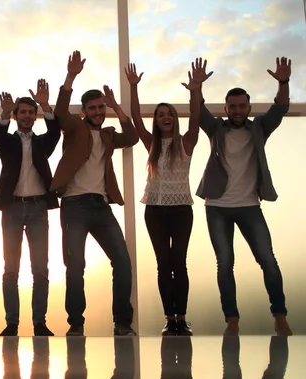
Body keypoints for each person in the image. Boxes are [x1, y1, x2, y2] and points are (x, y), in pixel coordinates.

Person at [197, 57, 293, 336]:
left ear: (249, 108)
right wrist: (197, 88)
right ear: (226, 109)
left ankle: (280, 315)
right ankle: (232, 320)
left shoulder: (259, 127)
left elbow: (281, 108)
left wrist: (283, 82)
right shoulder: (216, 128)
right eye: (233, 107)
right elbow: (198, 112)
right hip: (217, 206)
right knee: (225, 264)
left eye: (242, 106)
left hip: (250, 205)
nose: (237, 111)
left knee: (268, 260)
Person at [50, 50, 139, 336]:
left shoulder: (109, 135)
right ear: (84, 111)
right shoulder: (75, 128)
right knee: (75, 265)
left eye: (101, 108)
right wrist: (71, 76)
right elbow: (61, 113)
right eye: (93, 108)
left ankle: (122, 323)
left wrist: (117, 106)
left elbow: (133, 137)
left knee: (122, 261)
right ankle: (76, 324)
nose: (98, 112)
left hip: (101, 207)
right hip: (74, 206)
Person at [125, 59, 205, 336]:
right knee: (163, 264)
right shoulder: (152, 144)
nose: (165, 117)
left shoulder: (187, 141)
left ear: (174, 118)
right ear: (156, 121)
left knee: (178, 263)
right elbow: (135, 118)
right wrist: (133, 87)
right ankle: (169, 319)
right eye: (160, 115)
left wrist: (196, 90)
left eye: (169, 113)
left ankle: (182, 318)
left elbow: (196, 117)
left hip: (182, 209)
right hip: (155, 211)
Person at [0, 79, 61, 337]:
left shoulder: (43, 142)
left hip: (38, 208)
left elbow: (55, 132)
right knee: (11, 269)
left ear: (35, 116)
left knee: (40, 269)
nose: (27, 116)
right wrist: (4, 114)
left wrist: (45, 104)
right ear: (16, 115)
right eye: (23, 112)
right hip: (12, 208)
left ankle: (39, 323)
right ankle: (12, 323)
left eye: (31, 113)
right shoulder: (7, 142)